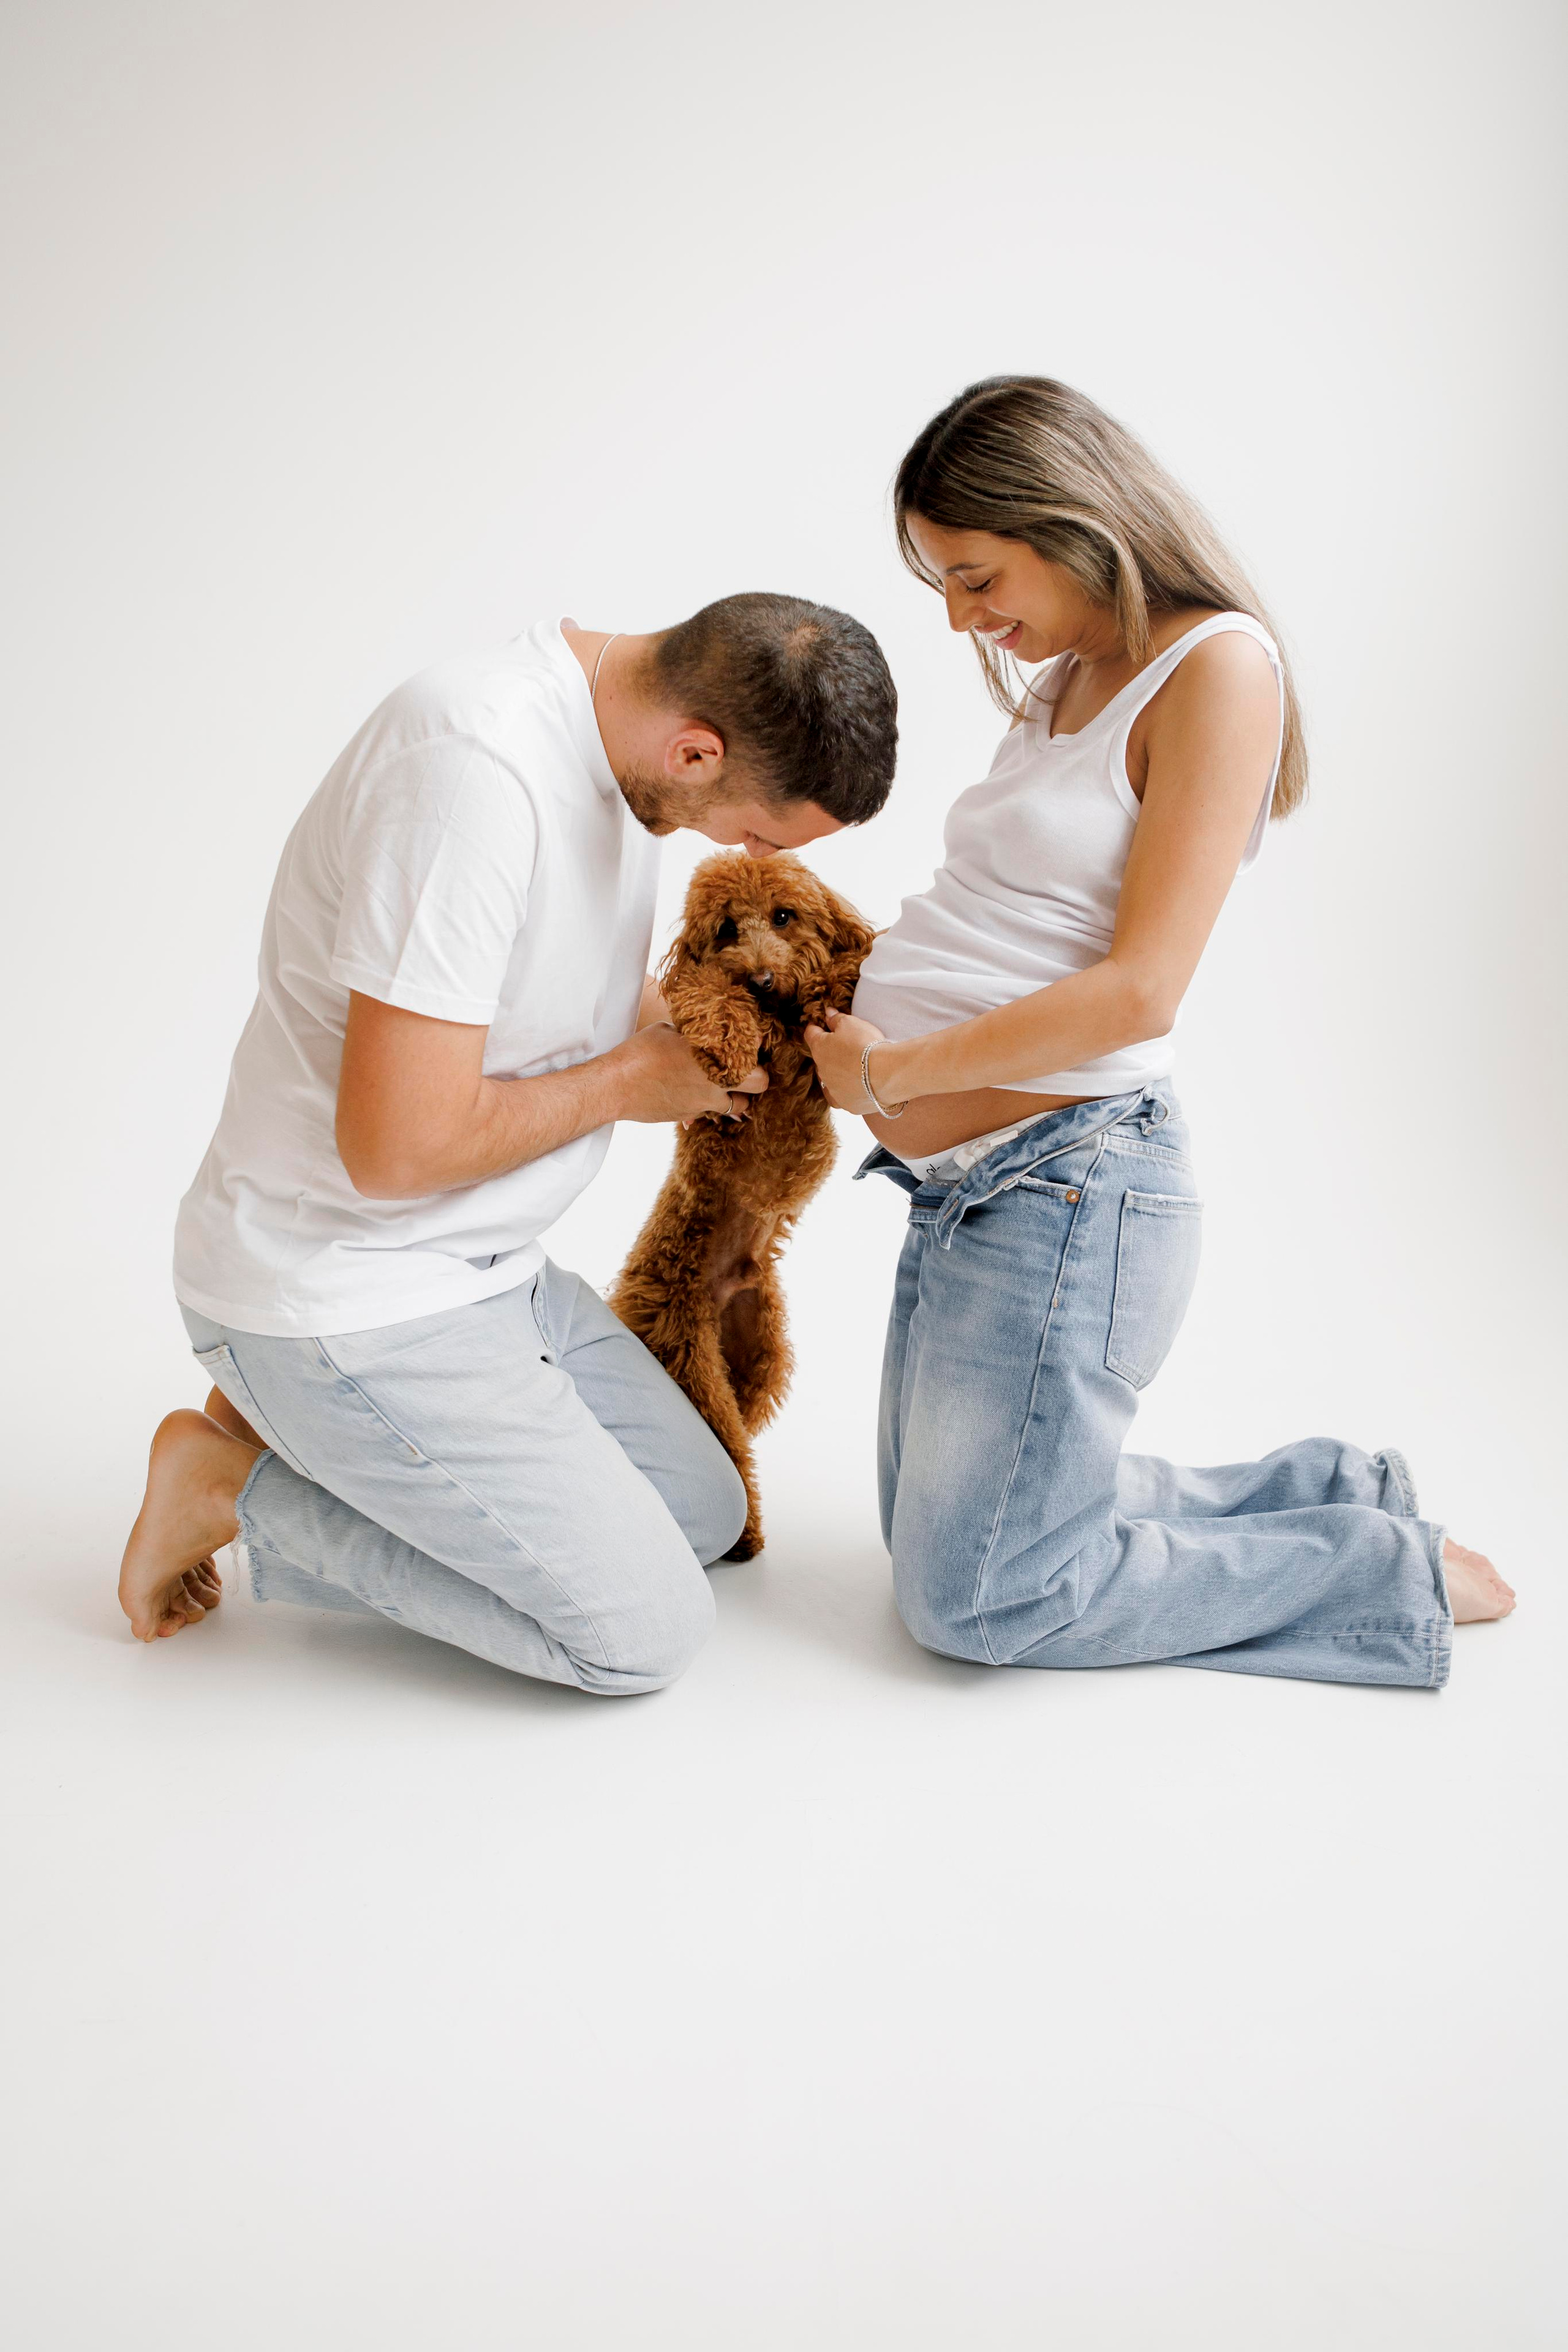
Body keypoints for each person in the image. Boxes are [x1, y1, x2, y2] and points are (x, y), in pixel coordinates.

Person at [807, 377, 1512, 1687]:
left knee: (979, 1605)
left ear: (1071, 520)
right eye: (941, 590)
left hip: (1068, 1182)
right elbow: (999, 916)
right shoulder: (1065, 671)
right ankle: (1335, 1485)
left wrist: (886, 1069)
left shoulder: (1217, 667)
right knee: (929, 1548)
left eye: (974, 575)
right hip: (959, 1187)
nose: (962, 619)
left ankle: (1378, 1570)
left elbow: (1140, 990)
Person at [120, 596, 898, 1693]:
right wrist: (638, 1082)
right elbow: (397, 1150)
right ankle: (228, 1483)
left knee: (705, 1511)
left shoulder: (619, 759)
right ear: (697, 750)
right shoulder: (469, 775)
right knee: (640, 1638)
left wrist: (729, 1044)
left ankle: (317, 1440)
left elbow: (552, 987)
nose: (745, 852)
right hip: (346, 1288)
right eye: (758, 831)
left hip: (488, 1275)